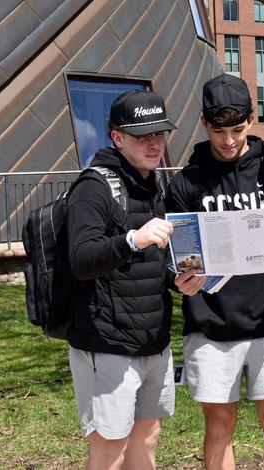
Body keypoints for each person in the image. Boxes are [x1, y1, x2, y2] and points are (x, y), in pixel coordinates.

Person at [167, 74, 264, 470]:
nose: (228, 140)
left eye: (237, 129)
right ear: (203, 123)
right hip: (211, 327)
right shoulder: (185, 184)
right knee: (219, 426)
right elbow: (173, 259)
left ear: (252, 119)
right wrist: (179, 279)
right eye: (218, 130)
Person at [66, 89, 177, 470]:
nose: (154, 143)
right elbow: (81, 260)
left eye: (159, 134)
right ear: (117, 137)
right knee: (110, 447)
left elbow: (154, 265)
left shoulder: (152, 184)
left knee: (147, 438)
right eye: (142, 136)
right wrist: (132, 239)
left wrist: (183, 279)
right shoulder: (94, 187)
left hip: (153, 341)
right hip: (107, 344)